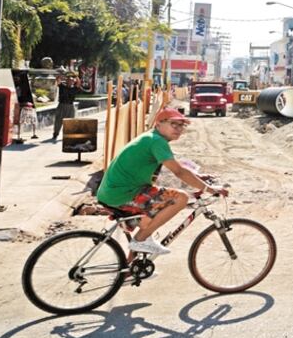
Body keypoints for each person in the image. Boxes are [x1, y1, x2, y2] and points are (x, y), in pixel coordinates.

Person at [96, 107, 226, 255]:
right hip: (122, 194)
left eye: (181, 125)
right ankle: (140, 240)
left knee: (149, 222)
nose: (178, 129)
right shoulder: (157, 141)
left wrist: (198, 178)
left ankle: (129, 272)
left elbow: (174, 165)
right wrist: (209, 189)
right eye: (173, 124)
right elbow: (179, 172)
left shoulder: (151, 138)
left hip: (114, 192)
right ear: (158, 124)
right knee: (180, 198)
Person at [52, 72, 80, 141]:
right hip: (62, 105)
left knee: (70, 121)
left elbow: (79, 83)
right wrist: (61, 75)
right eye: (69, 80)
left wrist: (75, 76)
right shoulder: (62, 86)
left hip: (70, 106)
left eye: (72, 81)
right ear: (66, 81)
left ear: (73, 82)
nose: (71, 82)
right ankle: (56, 133)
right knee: (58, 120)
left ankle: (68, 134)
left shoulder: (74, 88)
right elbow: (57, 80)